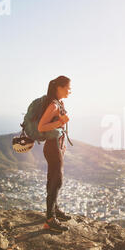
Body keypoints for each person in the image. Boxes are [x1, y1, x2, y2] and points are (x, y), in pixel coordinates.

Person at [38, 75, 72, 232]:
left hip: (55, 147)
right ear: (59, 87)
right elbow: (41, 127)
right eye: (68, 87)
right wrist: (61, 121)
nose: (70, 91)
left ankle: (54, 210)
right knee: (56, 181)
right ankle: (50, 219)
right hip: (52, 148)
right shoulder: (53, 105)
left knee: (53, 178)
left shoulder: (58, 103)